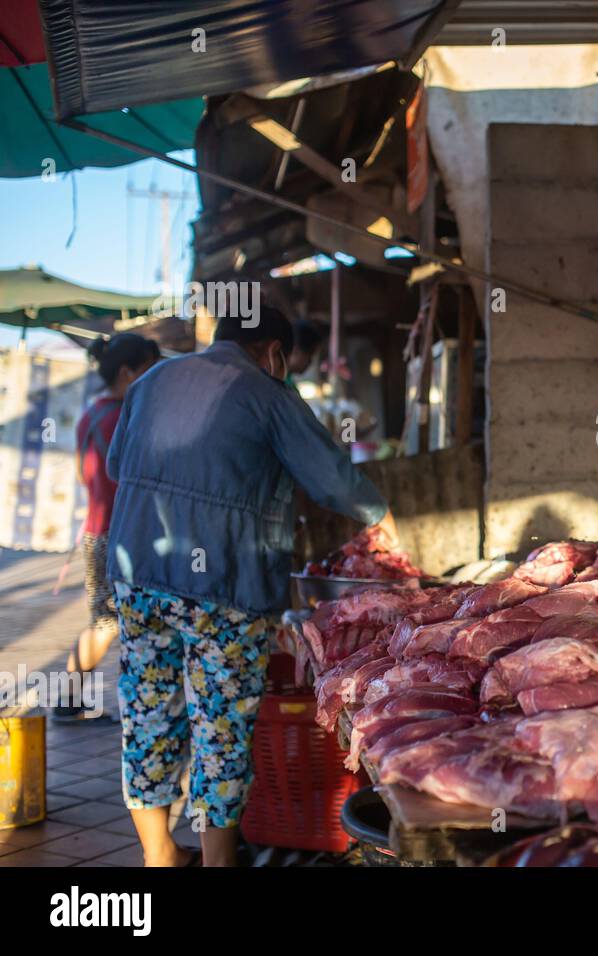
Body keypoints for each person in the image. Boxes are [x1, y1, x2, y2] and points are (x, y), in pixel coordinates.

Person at [105, 303, 398, 867]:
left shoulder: (153, 380)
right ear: (274, 352)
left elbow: (120, 464)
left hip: (138, 573)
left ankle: (158, 854)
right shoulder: (268, 391)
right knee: (219, 726)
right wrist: (379, 513)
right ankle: (219, 862)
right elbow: (330, 475)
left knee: (148, 711)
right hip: (223, 586)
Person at [54, 334, 161, 721]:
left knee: (106, 619)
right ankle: (69, 700)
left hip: (98, 530)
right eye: (150, 368)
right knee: (109, 622)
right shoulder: (124, 416)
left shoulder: (91, 414)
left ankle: (69, 698)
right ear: (127, 372)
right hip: (120, 534)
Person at [286, 318, 324, 383]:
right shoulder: (280, 385)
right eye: (310, 355)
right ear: (295, 350)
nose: (310, 362)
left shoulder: (286, 383)